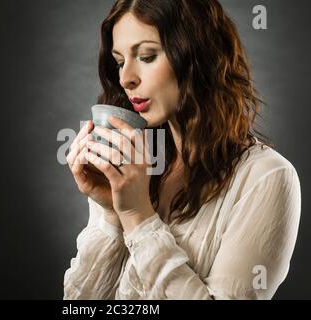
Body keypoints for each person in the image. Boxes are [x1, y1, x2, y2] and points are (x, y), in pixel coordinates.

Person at [64, 0, 301, 300]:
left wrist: (138, 216)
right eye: (120, 61)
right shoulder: (132, 165)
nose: (126, 78)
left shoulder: (267, 177)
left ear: (198, 55)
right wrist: (112, 214)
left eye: (147, 56)